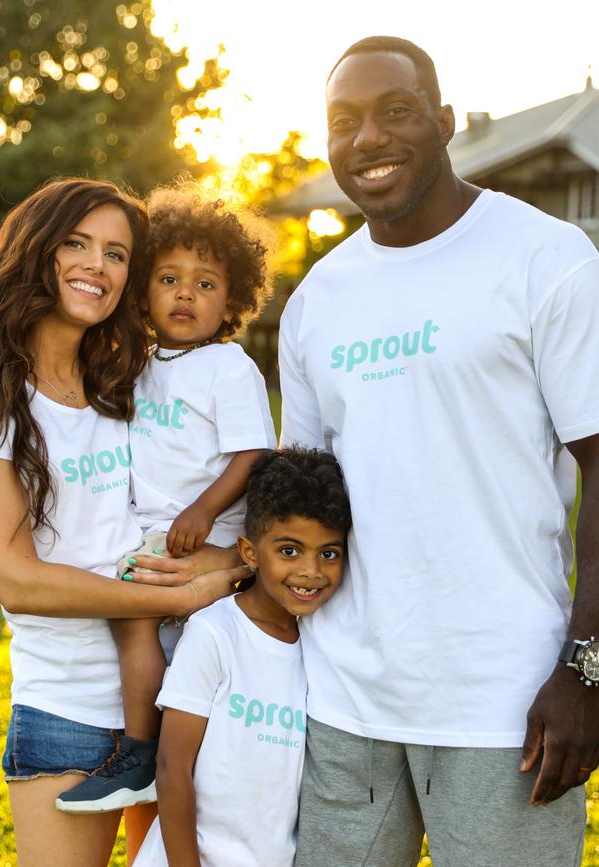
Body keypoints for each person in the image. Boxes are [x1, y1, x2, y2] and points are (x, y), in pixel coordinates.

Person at [278, 36, 599, 867]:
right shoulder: (317, 300)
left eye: (397, 112)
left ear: (447, 122)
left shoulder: (548, 259)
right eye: (344, 122)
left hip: (509, 704)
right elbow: (303, 502)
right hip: (343, 704)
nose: (369, 140)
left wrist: (586, 671)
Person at [0, 178, 244, 867]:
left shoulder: (125, 376)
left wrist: (225, 565)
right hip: (71, 708)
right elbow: (18, 580)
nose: (97, 265)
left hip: (185, 695)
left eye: (117, 253)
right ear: (36, 252)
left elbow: (208, 498)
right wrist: (174, 595)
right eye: (76, 243)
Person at [56, 183, 277, 814]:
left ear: (232, 300)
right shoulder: (140, 359)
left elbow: (254, 455)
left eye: (206, 284)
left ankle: (139, 754)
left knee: (131, 616)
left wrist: (203, 511)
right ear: (145, 289)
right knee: (153, 631)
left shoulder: (228, 367)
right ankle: (158, 757)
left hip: (199, 533)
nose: (185, 294)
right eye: (170, 278)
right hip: (149, 526)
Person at [132, 446, 351, 867]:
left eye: (329, 553)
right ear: (249, 553)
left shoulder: (321, 644)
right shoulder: (215, 632)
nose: (311, 571)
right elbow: (172, 764)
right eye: (289, 551)